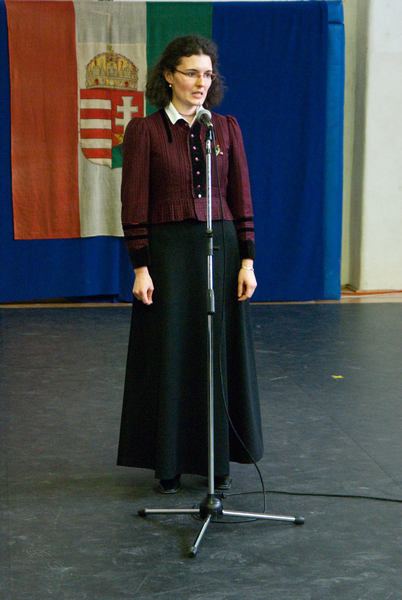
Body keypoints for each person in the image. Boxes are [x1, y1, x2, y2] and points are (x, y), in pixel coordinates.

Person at [117, 35, 263, 494]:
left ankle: (217, 460)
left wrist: (247, 261)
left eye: (208, 74)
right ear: (168, 76)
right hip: (168, 257)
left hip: (221, 252)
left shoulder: (226, 128)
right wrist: (141, 267)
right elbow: (134, 204)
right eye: (192, 73)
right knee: (172, 354)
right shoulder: (145, 131)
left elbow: (241, 197)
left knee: (217, 354)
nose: (202, 82)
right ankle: (169, 462)